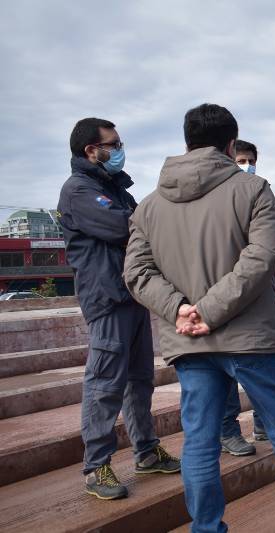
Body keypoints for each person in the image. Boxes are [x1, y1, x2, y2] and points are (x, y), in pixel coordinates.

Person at [124, 103, 275, 533]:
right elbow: (261, 257)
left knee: (200, 444)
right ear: (230, 145)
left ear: (187, 143)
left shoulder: (149, 206)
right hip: (249, 338)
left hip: (189, 340)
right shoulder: (253, 190)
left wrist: (181, 310)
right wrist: (209, 311)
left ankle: (206, 528)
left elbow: (136, 272)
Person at [57, 118, 181, 501]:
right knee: (105, 385)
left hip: (131, 296)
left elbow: (137, 224)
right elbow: (125, 228)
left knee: (140, 379)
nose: (120, 148)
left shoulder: (113, 188)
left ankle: (146, 451)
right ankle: (97, 466)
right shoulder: (79, 190)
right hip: (107, 299)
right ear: (91, 151)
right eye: (113, 144)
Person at [218, 139, 275, 456]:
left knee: (266, 367)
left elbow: (264, 250)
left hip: (264, 298)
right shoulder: (219, 198)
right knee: (224, 374)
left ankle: (264, 425)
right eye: (239, 160)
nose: (245, 165)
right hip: (228, 299)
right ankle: (227, 431)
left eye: (249, 160)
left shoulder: (262, 192)